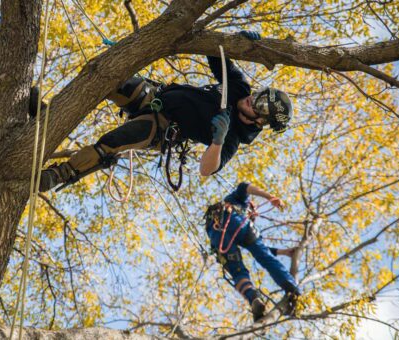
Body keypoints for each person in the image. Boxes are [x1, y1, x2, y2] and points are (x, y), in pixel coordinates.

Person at [35, 31, 293, 192]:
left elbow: (207, 169)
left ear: (260, 121)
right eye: (259, 95)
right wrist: (240, 41)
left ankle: (59, 175)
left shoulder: (232, 138)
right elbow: (217, 53)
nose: (251, 99)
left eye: (260, 105)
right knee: (108, 77)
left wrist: (217, 140)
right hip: (156, 97)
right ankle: (52, 116)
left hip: (161, 126)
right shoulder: (238, 88)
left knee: (114, 141)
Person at [205, 182, 300, 322]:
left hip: (217, 235)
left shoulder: (218, 217)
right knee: (266, 259)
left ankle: (254, 298)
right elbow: (244, 186)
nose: (253, 216)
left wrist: (284, 252)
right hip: (237, 222)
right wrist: (270, 197)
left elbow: (263, 249)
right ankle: (292, 288)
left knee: (237, 272)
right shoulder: (238, 201)